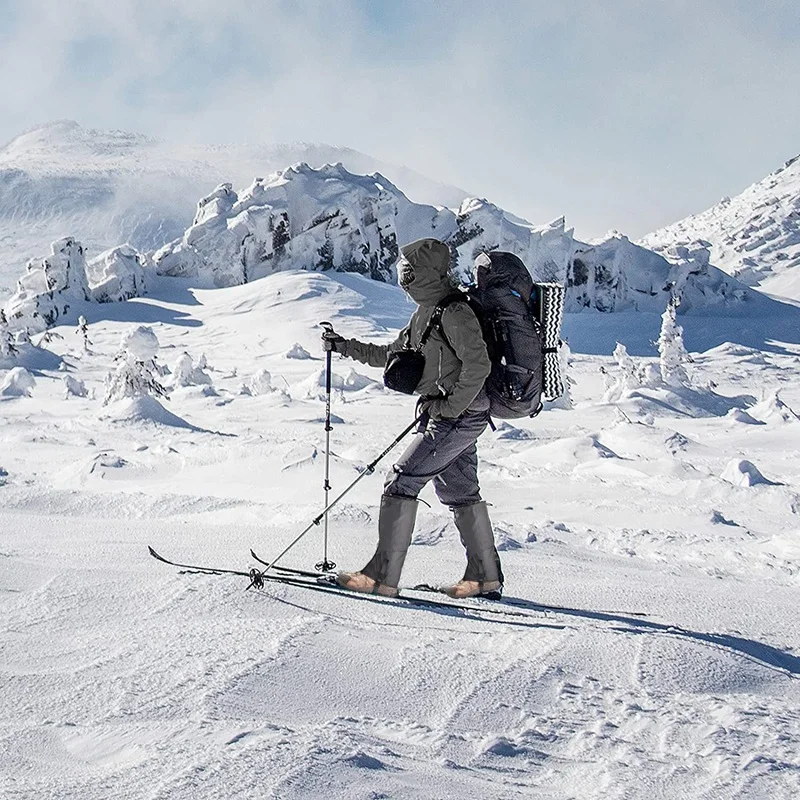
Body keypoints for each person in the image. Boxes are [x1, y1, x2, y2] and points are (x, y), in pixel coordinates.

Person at [321, 237, 504, 599]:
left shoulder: (454, 313)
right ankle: (484, 576)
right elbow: (393, 355)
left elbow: (478, 364)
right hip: (453, 413)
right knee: (461, 491)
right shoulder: (426, 311)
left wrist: (450, 407)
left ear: (424, 273)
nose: (402, 276)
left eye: (408, 270)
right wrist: (344, 347)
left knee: (400, 481)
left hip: (458, 416)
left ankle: (381, 576)